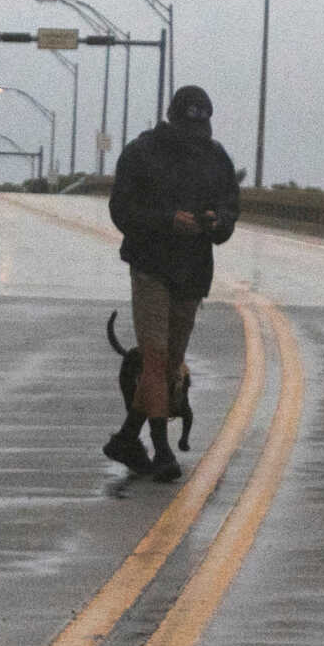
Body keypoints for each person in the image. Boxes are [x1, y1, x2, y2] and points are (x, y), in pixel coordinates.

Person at [104, 84, 241, 481]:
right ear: (173, 118)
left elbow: (230, 206)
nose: (195, 137)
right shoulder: (142, 152)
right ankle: (162, 450)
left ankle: (128, 437)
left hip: (193, 270)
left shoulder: (215, 158)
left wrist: (219, 222)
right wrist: (168, 220)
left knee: (171, 364)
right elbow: (121, 209)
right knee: (156, 357)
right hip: (150, 265)